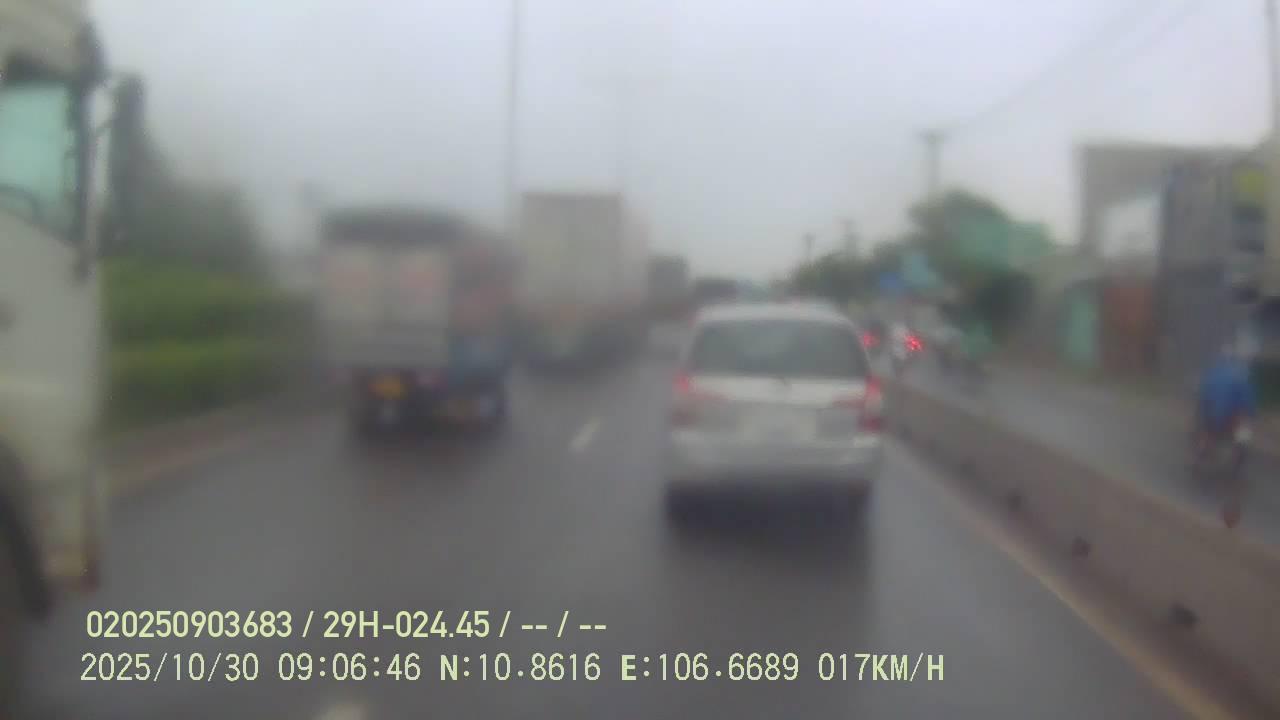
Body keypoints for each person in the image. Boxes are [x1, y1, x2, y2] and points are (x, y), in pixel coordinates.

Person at [1193, 338, 1258, 454]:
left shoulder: (1213, 372)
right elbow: (1248, 399)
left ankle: (1203, 448)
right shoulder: (1242, 374)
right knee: (1243, 431)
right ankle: (1236, 452)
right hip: (1232, 415)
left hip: (1213, 414)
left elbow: (1204, 394)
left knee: (1206, 428)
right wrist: (1250, 414)